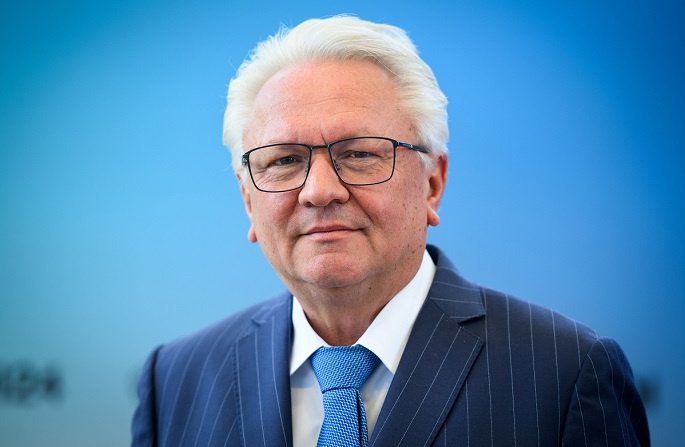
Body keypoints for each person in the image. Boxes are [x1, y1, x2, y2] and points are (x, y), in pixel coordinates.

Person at [131, 15, 649, 446]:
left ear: (432, 184)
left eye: (359, 154)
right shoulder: (175, 381)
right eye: (284, 160)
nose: (319, 191)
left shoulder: (566, 374)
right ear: (249, 201)